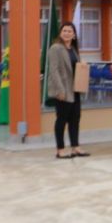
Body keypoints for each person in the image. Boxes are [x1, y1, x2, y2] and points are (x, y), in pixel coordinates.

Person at [47, 22, 89, 159]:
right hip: (63, 89)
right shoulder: (55, 48)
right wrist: (60, 90)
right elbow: (54, 71)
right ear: (60, 33)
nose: (67, 33)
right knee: (62, 119)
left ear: (74, 35)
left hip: (75, 89)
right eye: (64, 31)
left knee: (75, 118)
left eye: (70, 31)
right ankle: (60, 149)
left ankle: (75, 147)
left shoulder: (74, 49)